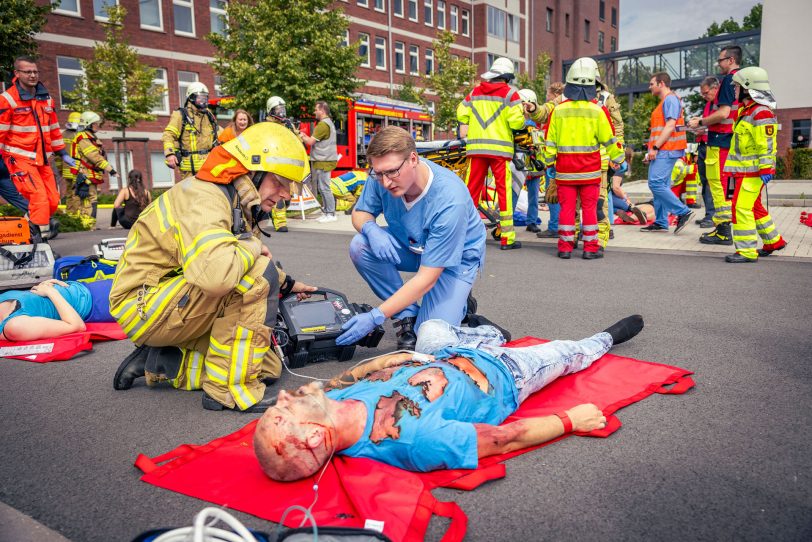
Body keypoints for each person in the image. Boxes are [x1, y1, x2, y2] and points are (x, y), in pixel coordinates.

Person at [253, 314, 645, 481]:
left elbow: (349, 377)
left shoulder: (337, 403)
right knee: (567, 352)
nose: (285, 395)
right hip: (506, 372)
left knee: (432, 324)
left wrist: (404, 356)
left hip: (440, 354)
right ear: (316, 438)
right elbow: (500, 439)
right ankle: (604, 338)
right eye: (287, 409)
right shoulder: (414, 441)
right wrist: (569, 420)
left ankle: (487, 332)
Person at [110, 123, 317, 413]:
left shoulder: (234, 199)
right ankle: (228, 391)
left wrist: (289, 283)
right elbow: (218, 276)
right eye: (280, 182)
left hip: (171, 297)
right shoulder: (206, 197)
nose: (286, 194)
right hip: (143, 305)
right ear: (252, 171)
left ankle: (161, 363)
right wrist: (255, 248)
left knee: (267, 366)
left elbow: (236, 256)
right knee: (257, 278)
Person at [337, 126, 486, 350]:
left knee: (432, 340)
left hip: (455, 260)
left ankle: (461, 303)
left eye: (392, 172)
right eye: (379, 174)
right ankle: (407, 315)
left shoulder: (449, 199)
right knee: (360, 246)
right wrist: (371, 229)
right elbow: (360, 213)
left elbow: (427, 277)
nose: (386, 182)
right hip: (414, 245)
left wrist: (376, 316)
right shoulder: (382, 174)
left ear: (413, 159)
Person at [542, 57, 625, 260]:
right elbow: (610, 140)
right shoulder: (598, 111)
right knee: (590, 209)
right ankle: (590, 248)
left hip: (565, 172)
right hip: (590, 172)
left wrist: (549, 162)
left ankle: (565, 247)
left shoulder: (559, 111)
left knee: (567, 209)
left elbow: (550, 142)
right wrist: (619, 158)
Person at [0, 56, 75, 241]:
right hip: (18, 158)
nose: (33, 75)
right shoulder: (7, 100)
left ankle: (25, 232)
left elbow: (53, 129)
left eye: (35, 71)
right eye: (28, 72)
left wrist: (62, 152)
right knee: (39, 200)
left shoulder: (46, 99)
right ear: (17, 74)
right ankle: (40, 245)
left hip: (42, 159)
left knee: (52, 201)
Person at [457, 57, 526, 250]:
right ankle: (507, 239)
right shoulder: (511, 95)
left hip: (476, 149)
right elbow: (516, 124)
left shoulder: (475, 92)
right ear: (507, 77)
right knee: (503, 192)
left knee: (470, 192)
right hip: (500, 151)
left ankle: (464, 235)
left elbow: (461, 114)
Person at [722, 67, 787, 263]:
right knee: (755, 206)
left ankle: (746, 251)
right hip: (746, 172)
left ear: (747, 87)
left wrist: (766, 168)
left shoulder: (760, 113)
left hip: (753, 173)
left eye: (737, 86)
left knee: (740, 208)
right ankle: (774, 242)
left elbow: (766, 145)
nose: (734, 89)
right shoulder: (746, 111)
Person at [687, 45, 742, 245]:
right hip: (730, 140)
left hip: (720, 142)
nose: (718, 63)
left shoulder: (729, 79)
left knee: (717, 184)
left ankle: (723, 230)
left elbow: (724, 113)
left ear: (731, 60)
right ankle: (726, 227)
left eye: (720, 60)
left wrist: (700, 122)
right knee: (725, 185)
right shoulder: (742, 80)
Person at [641, 72, 693, 234]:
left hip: (666, 149)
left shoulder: (670, 99)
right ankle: (661, 221)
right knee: (661, 185)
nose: (650, 87)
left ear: (661, 83)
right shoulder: (666, 101)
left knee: (655, 184)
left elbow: (670, 126)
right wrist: (651, 150)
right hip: (663, 149)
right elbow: (660, 130)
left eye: (652, 84)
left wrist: (655, 148)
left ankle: (683, 212)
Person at [0, 279, 114, 342]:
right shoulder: (14, 327)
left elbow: (35, 301)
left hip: (83, 287)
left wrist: (44, 285)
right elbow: (76, 326)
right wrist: (51, 292)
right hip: (96, 303)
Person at [526, 82, 565, 239]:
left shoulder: (554, 110)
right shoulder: (567, 109)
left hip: (554, 158)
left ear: (555, 95)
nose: (547, 99)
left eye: (548, 95)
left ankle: (555, 226)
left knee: (552, 192)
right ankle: (565, 225)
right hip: (567, 157)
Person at [595, 73, 627, 251]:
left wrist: (617, 154)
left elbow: (618, 126)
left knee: (603, 197)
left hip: (604, 154)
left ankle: (606, 231)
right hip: (587, 155)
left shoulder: (606, 98)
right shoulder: (578, 95)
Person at [163, 82, 220, 176]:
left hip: (209, 167)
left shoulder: (208, 115)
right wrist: (170, 154)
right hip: (190, 170)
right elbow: (168, 135)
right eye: (200, 98)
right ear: (191, 98)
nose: (204, 101)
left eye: (205, 98)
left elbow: (218, 134)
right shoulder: (180, 115)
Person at [71, 111, 116, 221]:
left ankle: (89, 223)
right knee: (87, 198)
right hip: (85, 174)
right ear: (88, 124)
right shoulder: (83, 138)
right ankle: (86, 223)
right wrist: (111, 170)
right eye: (95, 123)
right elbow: (94, 157)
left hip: (89, 173)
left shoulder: (90, 137)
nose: (98, 125)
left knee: (91, 197)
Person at [299, 101, 339, 223]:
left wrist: (302, 136)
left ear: (322, 110)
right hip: (326, 159)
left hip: (324, 160)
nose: (314, 112)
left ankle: (331, 214)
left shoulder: (322, 125)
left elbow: (310, 142)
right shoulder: (329, 123)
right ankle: (327, 212)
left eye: (316, 109)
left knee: (324, 188)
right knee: (323, 187)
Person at [692, 77, 720, 228]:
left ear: (715, 88)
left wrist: (702, 125)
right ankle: (709, 214)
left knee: (711, 182)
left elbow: (719, 124)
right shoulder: (709, 105)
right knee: (705, 182)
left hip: (713, 146)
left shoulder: (720, 105)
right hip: (704, 145)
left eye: (705, 93)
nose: (703, 96)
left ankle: (713, 216)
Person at [516, 90, 543, 234]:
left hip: (532, 160)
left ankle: (531, 221)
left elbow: (539, 142)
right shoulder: (515, 122)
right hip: (518, 159)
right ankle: (505, 220)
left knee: (533, 194)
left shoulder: (535, 121)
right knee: (513, 192)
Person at [56, 112, 82, 212]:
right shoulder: (80, 135)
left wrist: (60, 169)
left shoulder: (62, 135)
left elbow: (58, 156)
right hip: (77, 170)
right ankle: (76, 215)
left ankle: (70, 214)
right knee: (76, 193)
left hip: (66, 171)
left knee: (69, 193)